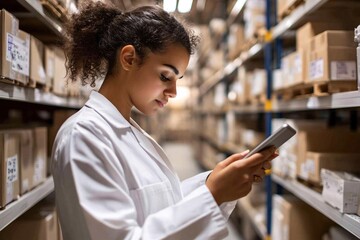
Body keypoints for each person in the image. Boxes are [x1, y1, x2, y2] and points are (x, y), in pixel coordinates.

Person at [51, 2, 277, 240]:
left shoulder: (131, 132)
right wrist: (212, 195)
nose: (173, 92)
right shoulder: (83, 137)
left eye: (177, 79)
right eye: (165, 76)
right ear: (128, 58)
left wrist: (213, 182)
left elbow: (163, 203)